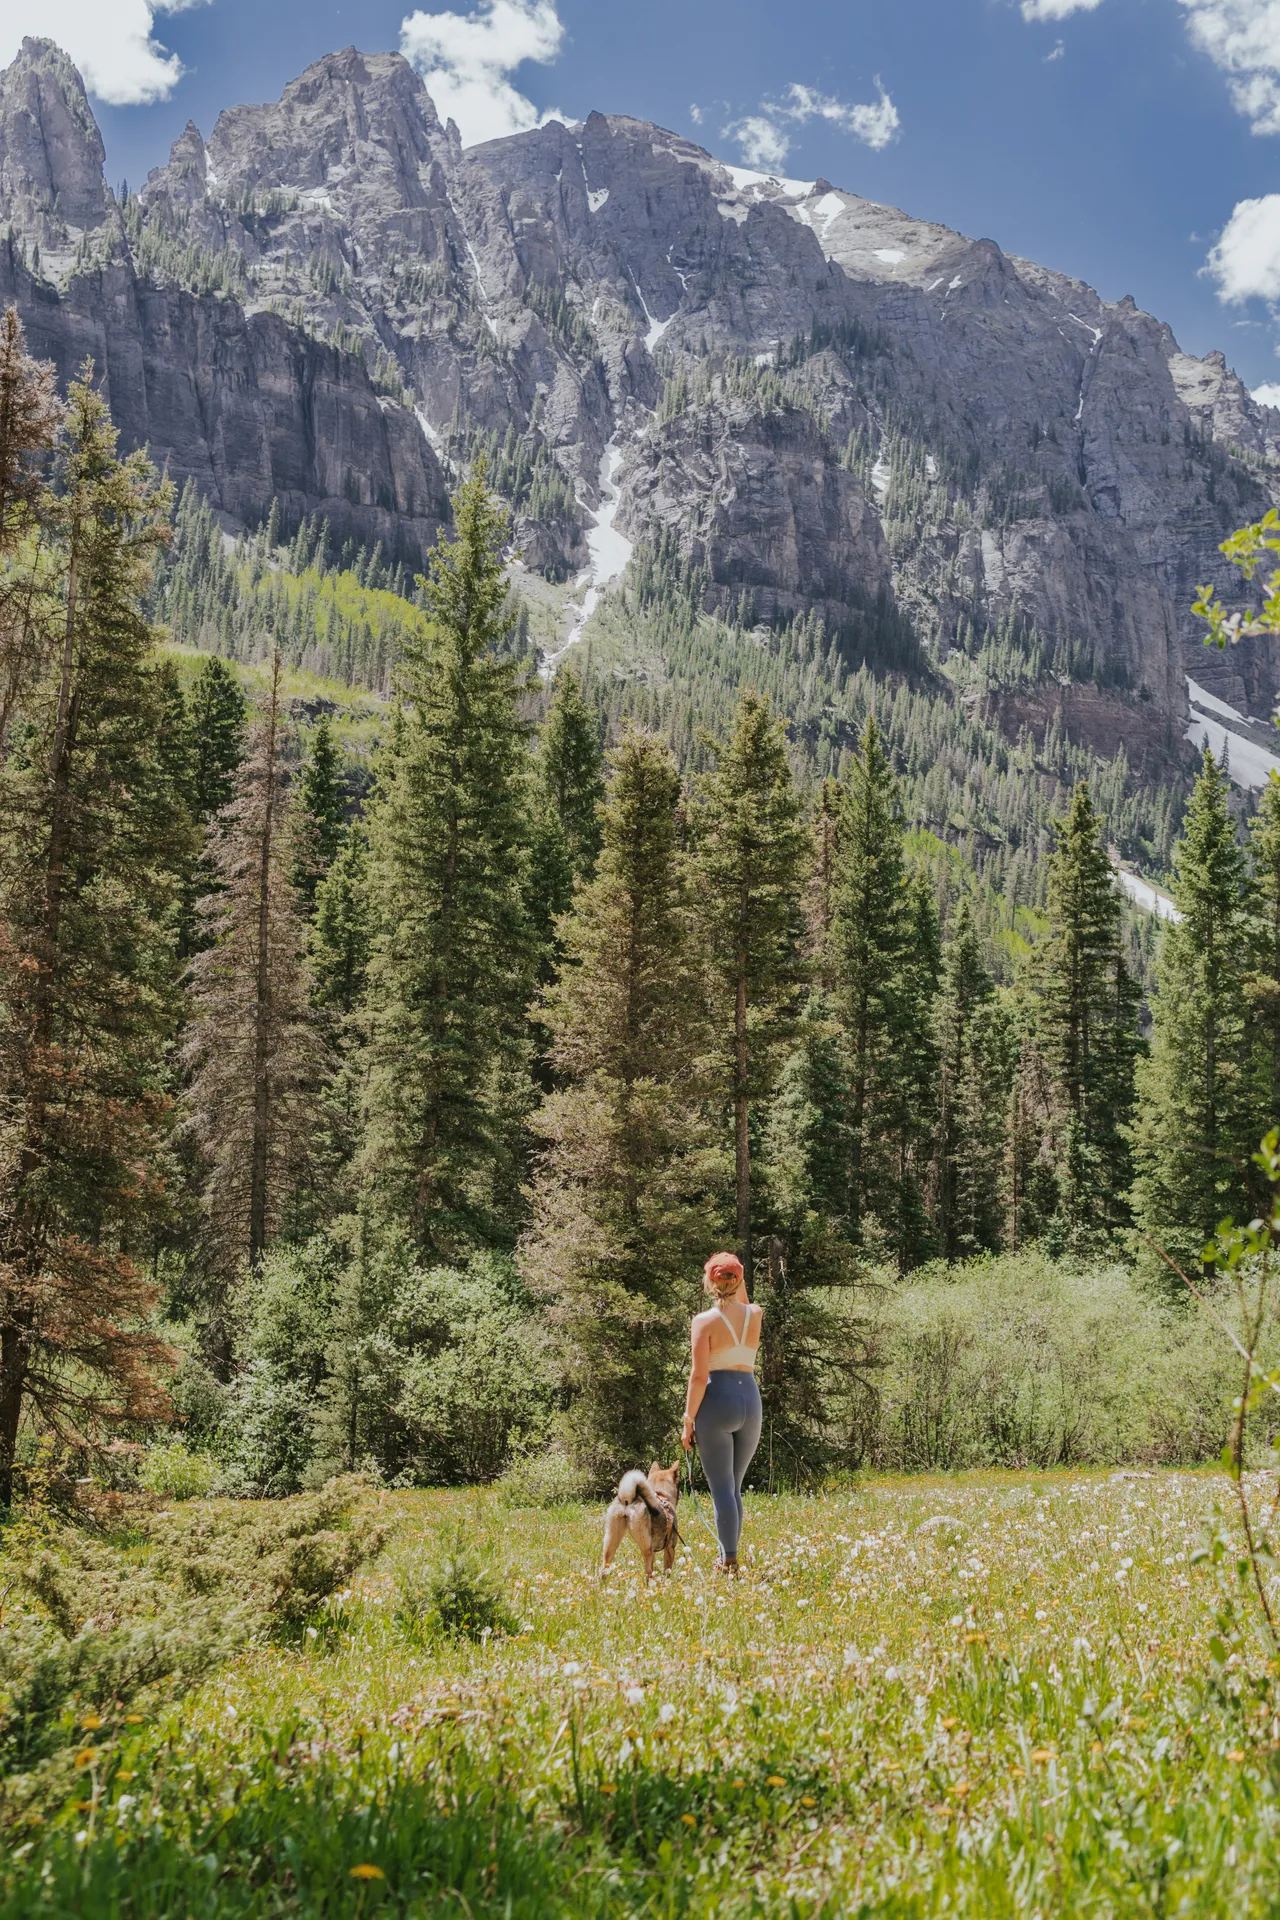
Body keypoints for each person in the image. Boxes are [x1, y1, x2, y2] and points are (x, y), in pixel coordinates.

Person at [680, 1251, 763, 1575]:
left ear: (709, 1281)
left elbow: (699, 1377)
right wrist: (735, 1276)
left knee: (722, 1489)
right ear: (740, 1279)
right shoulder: (755, 1314)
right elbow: (743, 1300)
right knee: (734, 1486)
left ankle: (728, 1560)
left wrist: (688, 1421)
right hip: (750, 1401)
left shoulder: (704, 1321)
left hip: (718, 1402)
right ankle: (727, 1554)